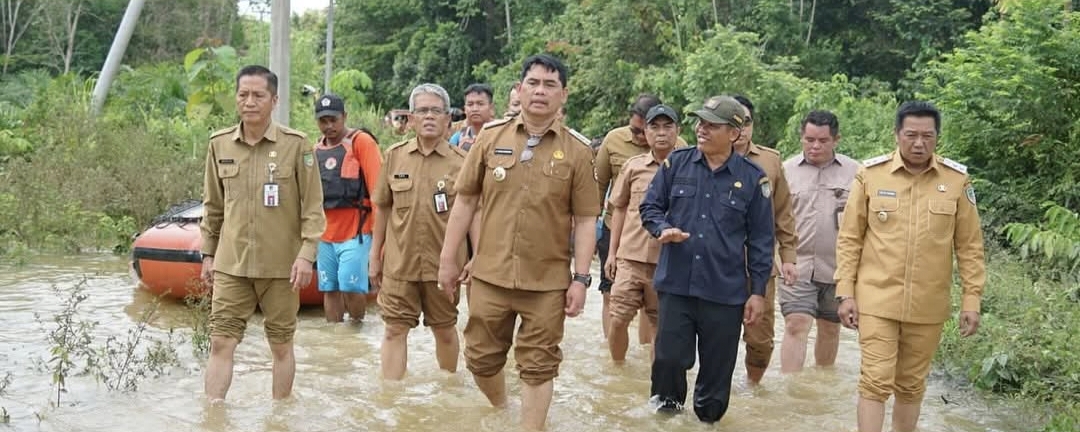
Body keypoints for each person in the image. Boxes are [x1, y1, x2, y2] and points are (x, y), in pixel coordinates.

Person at [437, 54, 601, 431]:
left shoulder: (577, 151)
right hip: (490, 275)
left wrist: (580, 278)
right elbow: (465, 201)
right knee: (479, 359)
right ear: (519, 89)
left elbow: (587, 220)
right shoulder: (490, 137)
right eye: (533, 83)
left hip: (546, 282)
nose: (540, 91)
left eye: (550, 85)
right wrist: (448, 259)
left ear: (564, 95)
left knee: (539, 363)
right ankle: (502, 408)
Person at [835, 101, 985, 432]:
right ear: (897, 134)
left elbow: (970, 246)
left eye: (927, 136)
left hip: (928, 305)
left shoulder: (956, 180)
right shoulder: (870, 175)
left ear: (937, 137)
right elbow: (850, 239)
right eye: (911, 135)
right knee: (875, 380)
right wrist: (845, 292)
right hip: (877, 299)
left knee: (911, 384)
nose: (919, 144)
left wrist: (972, 300)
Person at [640, 95, 773, 423]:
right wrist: (662, 228)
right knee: (668, 361)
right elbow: (650, 207)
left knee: (716, 377)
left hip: (724, 293)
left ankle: (707, 424)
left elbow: (761, 240)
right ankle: (665, 422)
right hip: (677, 284)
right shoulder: (676, 164)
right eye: (700, 122)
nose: (701, 129)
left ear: (734, 133)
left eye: (712, 125)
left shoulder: (753, 179)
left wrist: (757, 292)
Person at [199, 65, 326, 401]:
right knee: (221, 341)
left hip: (282, 268)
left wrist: (306, 256)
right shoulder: (219, 145)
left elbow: (313, 208)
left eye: (258, 95)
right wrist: (208, 254)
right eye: (243, 94)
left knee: (281, 344)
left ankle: (279, 416)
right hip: (232, 265)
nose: (250, 102)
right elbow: (213, 205)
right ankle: (213, 416)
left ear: (274, 99)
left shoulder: (297, 146)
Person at [369, 83, 477, 380]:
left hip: (444, 267)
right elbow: (383, 208)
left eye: (436, 110)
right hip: (398, 263)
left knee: (444, 328)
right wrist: (374, 256)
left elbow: (475, 213)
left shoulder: (462, 161)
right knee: (393, 329)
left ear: (448, 120)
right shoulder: (394, 156)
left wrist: (476, 257)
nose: (428, 116)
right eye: (422, 111)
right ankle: (391, 400)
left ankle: (447, 390)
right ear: (411, 119)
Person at [595, 94, 687, 342]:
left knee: (655, 313)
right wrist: (593, 227)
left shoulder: (684, 158)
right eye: (642, 129)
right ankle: (613, 356)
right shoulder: (615, 142)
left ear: (676, 130)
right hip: (619, 233)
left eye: (666, 127)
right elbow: (601, 185)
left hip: (664, 250)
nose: (658, 133)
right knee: (613, 301)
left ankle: (647, 353)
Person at [778, 110, 858, 372]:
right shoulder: (785, 171)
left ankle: (822, 381)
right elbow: (771, 218)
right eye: (809, 139)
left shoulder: (857, 174)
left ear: (836, 140)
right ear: (801, 137)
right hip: (795, 264)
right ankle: (792, 389)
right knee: (796, 323)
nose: (815, 146)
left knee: (830, 327)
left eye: (822, 141)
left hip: (838, 267)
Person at [731, 94, 798, 384]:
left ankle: (753, 387)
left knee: (760, 338)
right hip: (715, 263)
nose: (742, 129)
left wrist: (789, 257)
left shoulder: (770, 161)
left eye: (747, 122)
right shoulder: (704, 158)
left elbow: (783, 212)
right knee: (713, 331)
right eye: (735, 122)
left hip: (759, 264)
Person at [313, 93, 383, 323]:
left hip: (357, 232)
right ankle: (335, 337)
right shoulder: (316, 150)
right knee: (329, 287)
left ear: (344, 117)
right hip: (325, 233)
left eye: (334, 119)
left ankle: (356, 331)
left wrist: (380, 240)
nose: (329, 126)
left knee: (350, 285)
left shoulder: (361, 142)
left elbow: (378, 191)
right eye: (323, 121)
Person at [450, 83, 496, 151]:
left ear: (491, 108)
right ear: (465, 109)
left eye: (480, 104)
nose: (475, 109)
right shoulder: (457, 139)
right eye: (470, 104)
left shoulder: (501, 135)